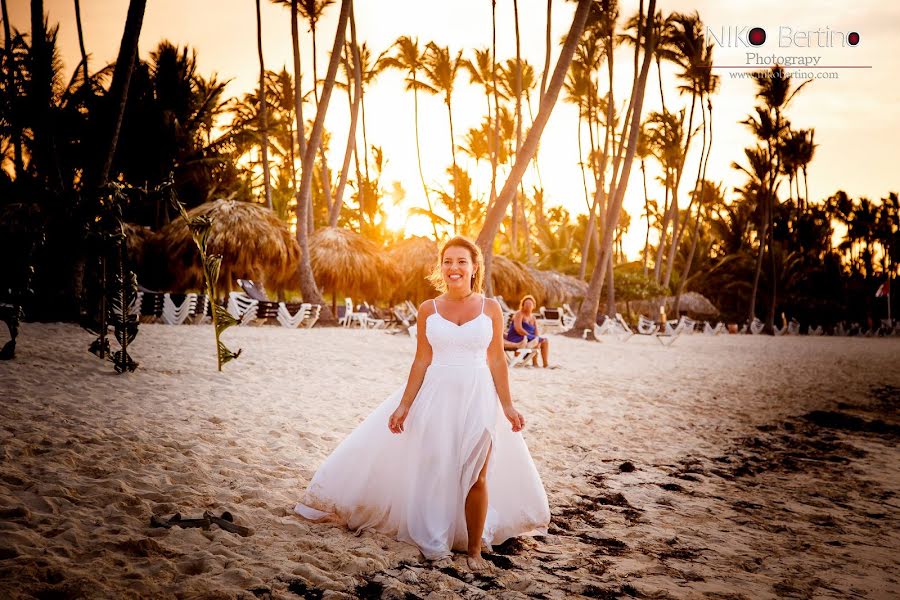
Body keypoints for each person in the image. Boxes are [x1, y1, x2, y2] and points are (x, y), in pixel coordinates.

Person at [294, 237, 550, 571]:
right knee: (436, 468)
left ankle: (474, 550)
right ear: (440, 267)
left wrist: (508, 406)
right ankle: (435, 540)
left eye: (461, 261)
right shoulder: (428, 309)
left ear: (474, 267)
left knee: (477, 476)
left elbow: (498, 360)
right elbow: (421, 360)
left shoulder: (491, 309)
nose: (454, 268)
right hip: (436, 397)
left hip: (478, 397)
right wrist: (403, 406)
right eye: (447, 261)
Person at [505, 295, 551, 368]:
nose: (528, 305)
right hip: (516, 337)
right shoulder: (519, 314)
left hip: (528, 338)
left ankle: (545, 364)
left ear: (533, 306)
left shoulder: (533, 317)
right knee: (536, 340)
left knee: (544, 341)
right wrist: (531, 337)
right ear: (522, 305)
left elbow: (536, 332)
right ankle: (535, 363)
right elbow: (518, 329)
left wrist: (536, 337)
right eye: (526, 303)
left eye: (530, 304)